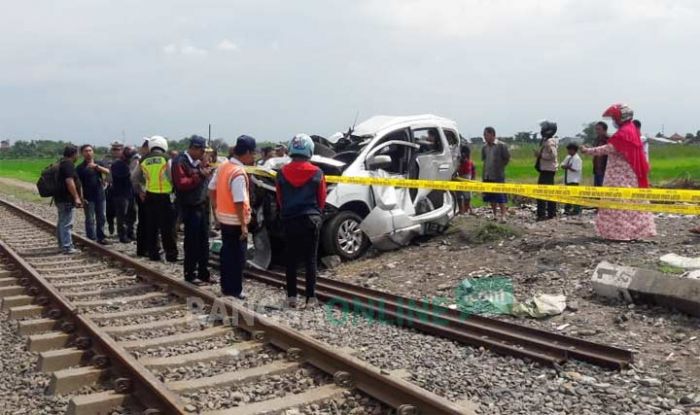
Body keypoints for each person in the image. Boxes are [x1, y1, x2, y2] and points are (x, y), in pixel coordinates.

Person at [581, 104, 656, 241]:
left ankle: (620, 234)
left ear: (620, 118)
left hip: (618, 177)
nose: (614, 122)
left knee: (617, 204)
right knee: (631, 203)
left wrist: (588, 151)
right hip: (629, 175)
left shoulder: (623, 133)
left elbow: (609, 149)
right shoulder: (632, 130)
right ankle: (634, 232)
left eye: (614, 118)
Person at [276, 134, 326, 308]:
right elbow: (321, 199)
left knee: (291, 259)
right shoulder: (317, 172)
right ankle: (311, 298)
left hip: (290, 220)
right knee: (310, 259)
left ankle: (291, 297)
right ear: (309, 150)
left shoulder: (281, 172)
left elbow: (280, 199)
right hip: (310, 220)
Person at [209, 135, 257, 299]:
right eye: (253, 153)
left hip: (224, 218)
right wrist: (244, 225)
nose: (254, 157)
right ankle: (235, 290)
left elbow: (211, 188)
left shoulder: (223, 166)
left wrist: (216, 211)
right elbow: (238, 200)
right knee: (238, 257)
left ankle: (225, 287)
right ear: (248, 152)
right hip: (236, 221)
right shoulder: (238, 172)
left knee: (227, 253)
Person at [172, 137, 213, 284]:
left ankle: (203, 272)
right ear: (194, 148)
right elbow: (182, 183)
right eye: (202, 151)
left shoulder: (199, 162)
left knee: (203, 241)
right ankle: (190, 273)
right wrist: (200, 175)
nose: (204, 154)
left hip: (202, 205)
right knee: (192, 242)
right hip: (189, 206)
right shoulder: (180, 161)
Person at [134, 136, 178, 262]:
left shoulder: (143, 160)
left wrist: (140, 191)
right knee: (168, 228)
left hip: (150, 196)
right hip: (166, 196)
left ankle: (153, 254)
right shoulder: (166, 158)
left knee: (151, 226)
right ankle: (171, 255)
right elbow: (171, 177)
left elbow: (134, 178)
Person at [76, 144, 110, 244]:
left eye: (90, 150)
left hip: (100, 195)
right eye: (86, 151)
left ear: (93, 152)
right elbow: (79, 184)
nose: (88, 153)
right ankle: (91, 238)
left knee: (102, 217)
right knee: (90, 219)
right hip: (88, 197)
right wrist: (81, 197)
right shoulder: (80, 168)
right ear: (82, 153)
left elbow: (108, 171)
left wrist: (97, 167)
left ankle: (101, 237)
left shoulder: (98, 163)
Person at [55, 145, 83, 254]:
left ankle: (62, 245)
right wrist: (76, 197)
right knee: (67, 223)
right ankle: (67, 247)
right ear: (74, 154)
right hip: (66, 198)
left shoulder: (62, 162)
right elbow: (69, 181)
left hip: (60, 198)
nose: (78, 156)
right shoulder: (68, 164)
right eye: (77, 154)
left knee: (62, 221)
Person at [481, 127, 510, 222]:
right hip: (487, 175)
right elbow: (484, 160)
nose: (485, 137)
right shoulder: (484, 147)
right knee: (491, 197)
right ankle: (494, 215)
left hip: (498, 175)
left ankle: (503, 215)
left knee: (500, 196)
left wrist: (500, 167)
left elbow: (506, 158)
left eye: (486, 135)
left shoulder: (501, 146)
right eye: (484, 135)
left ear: (493, 135)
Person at [534, 121, 559, 221]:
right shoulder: (547, 140)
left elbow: (553, 155)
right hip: (546, 169)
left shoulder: (550, 142)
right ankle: (549, 213)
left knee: (543, 192)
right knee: (547, 192)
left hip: (548, 170)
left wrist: (540, 156)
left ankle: (543, 214)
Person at [111, 146, 136, 243]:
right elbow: (126, 176)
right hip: (120, 194)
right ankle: (122, 235)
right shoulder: (118, 164)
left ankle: (130, 233)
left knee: (132, 214)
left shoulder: (127, 163)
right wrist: (132, 169)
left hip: (129, 193)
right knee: (122, 216)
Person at [131, 138, 150, 256]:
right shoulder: (141, 160)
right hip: (144, 194)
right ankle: (144, 249)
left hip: (147, 194)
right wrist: (140, 192)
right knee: (145, 222)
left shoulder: (145, 160)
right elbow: (134, 178)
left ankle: (143, 249)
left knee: (145, 222)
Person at [103, 141, 124, 236]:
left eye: (117, 149)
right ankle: (110, 223)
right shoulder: (106, 159)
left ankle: (122, 230)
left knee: (122, 210)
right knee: (109, 209)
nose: (115, 151)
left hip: (122, 187)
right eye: (113, 149)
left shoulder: (125, 159)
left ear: (121, 149)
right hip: (110, 186)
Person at [560, 143, 583, 215]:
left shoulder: (577, 159)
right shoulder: (568, 157)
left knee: (575, 195)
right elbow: (562, 165)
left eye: (569, 150)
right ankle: (567, 208)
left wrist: (567, 167)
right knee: (568, 194)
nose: (568, 151)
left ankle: (577, 209)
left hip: (574, 180)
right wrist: (567, 166)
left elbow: (575, 169)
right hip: (568, 179)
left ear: (573, 150)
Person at [456, 145, 476, 215]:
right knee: (459, 194)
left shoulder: (467, 161)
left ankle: (465, 210)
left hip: (465, 175)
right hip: (459, 175)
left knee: (466, 195)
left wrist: (473, 178)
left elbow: (473, 169)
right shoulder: (464, 160)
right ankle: (462, 210)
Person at [592, 122, 609, 187]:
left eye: (599, 129)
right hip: (596, 170)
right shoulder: (596, 140)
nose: (597, 131)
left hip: (605, 170)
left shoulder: (609, 140)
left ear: (605, 130)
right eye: (596, 129)